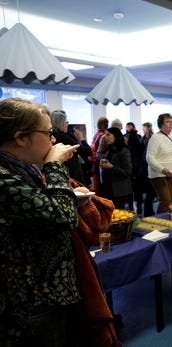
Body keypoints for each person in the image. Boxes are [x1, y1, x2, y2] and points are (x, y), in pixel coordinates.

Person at [0, 98, 82, 345]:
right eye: (48, 133)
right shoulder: (4, 179)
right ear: (21, 137)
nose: (54, 140)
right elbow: (63, 217)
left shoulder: (23, 169)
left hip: (44, 295)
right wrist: (55, 165)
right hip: (31, 301)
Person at [146, 113, 172, 214]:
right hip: (158, 174)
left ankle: (167, 222)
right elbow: (149, 157)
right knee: (165, 200)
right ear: (161, 124)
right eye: (167, 122)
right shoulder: (155, 138)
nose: (171, 124)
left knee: (169, 201)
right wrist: (163, 169)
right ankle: (159, 224)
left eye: (171, 122)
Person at [50, 110, 93, 186]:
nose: (67, 124)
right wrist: (82, 139)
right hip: (72, 173)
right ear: (61, 123)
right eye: (66, 122)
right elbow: (87, 152)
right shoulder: (66, 138)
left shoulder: (50, 137)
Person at [98, 127, 133, 210]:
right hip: (108, 187)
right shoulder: (110, 149)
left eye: (108, 135)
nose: (105, 137)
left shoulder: (124, 150)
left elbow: (127, 172)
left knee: (118, 214)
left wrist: (111, 167)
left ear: (116, 136)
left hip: (118, 189)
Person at [135, 122, 156, 216]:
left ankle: (149, 212)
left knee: (150, 192)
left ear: (148, 128)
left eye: (144, 127)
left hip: (150, 168)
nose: (143, 129)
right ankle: (144, 211)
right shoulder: (142, 138)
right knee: (143, 191)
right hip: (142, 169)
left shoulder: (153, 138)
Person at [89, 116, 109, 192]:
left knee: (97, 187)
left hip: (94, 163)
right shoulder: (103, 136)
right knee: (101, 188)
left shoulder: (96, 134)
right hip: (99, 163)